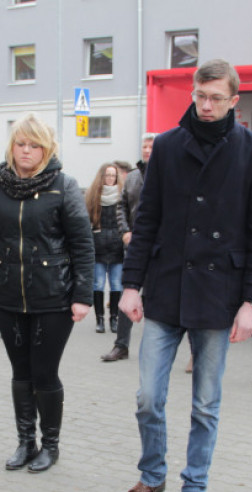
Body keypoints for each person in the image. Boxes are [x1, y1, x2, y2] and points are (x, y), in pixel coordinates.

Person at [114, 59, 252, 492]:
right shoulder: (165, 146)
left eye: (216, 99)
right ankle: (151, 477)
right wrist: (129, 284)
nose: (206, 106)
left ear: (234, 101)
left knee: (206, 403)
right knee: (148, 396)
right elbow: (146, 220)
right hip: (166, 288)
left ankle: (195, 489)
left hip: (219, 294)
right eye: (200, 97)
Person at [0, 112, 94, 474]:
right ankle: (26, 441)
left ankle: (50, 445)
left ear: (46, 148)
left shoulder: (64, 186)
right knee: (20, 372)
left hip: (53, 296)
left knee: (45, 373)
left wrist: (82, 295)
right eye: (20, 144)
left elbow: (82, 244)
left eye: (33, 145)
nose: (26, 151)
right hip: (7, 294)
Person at [101, 132, 155, 362]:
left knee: (159, 298)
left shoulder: (171, 173)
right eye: (144, 146)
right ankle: (121, 345)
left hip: (160, 248)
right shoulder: (133, 177)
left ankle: (160, 349)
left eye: (151, 146)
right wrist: (125, 231)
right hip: (134, 246)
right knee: (127, 293)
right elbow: (121, 205)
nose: (146, 150)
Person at [84, 163, 129, 334]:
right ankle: (100, 320)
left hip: (118, 246)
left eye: (113, 175)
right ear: (101, 177)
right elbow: (85, 222)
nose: (110, 178)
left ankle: (114, 319)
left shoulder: (122, 196)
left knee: (117, 283)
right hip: (99, 246)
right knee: (99, 283)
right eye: (107, 175)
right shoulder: (93, 196)